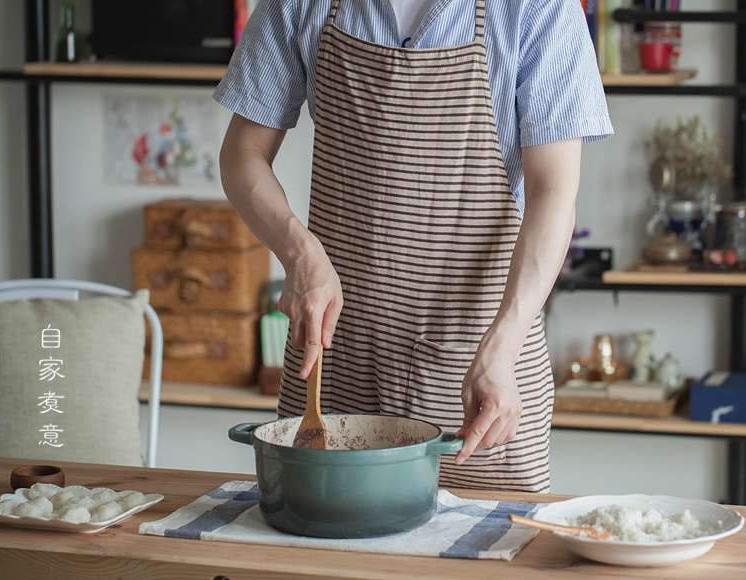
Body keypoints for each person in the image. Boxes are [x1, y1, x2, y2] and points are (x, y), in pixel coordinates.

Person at [215, 0, 613, 492]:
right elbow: (242, 154)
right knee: (324, 557)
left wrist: (504, 345)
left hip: (483, 374)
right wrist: (299, 252)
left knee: (488, 558)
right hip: (337, 370)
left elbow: (554, 194)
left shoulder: (539, 9)